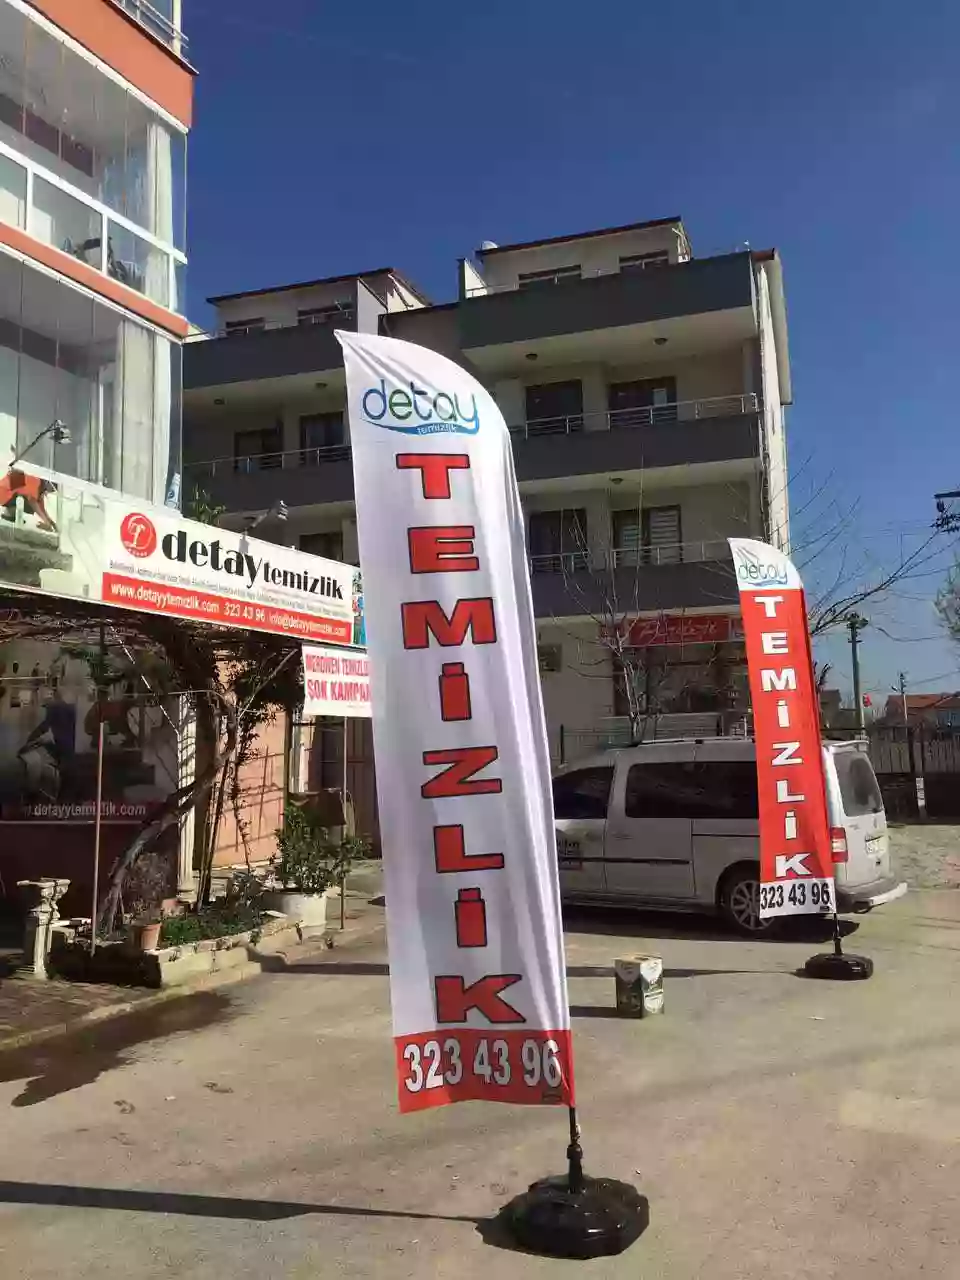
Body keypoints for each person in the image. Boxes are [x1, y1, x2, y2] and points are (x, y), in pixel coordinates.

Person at [0, 467, 58, 532]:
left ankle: (11, 512)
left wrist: (50, 522)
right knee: (29, 504)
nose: (47, 492)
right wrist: (46, 522)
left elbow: (41, 508)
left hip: (5, 494)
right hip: (3, 494)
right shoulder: (36, 482)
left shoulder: (38, 487)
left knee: (32, 501)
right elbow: (33, 502)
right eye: (50, 490)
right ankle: (10, 513)